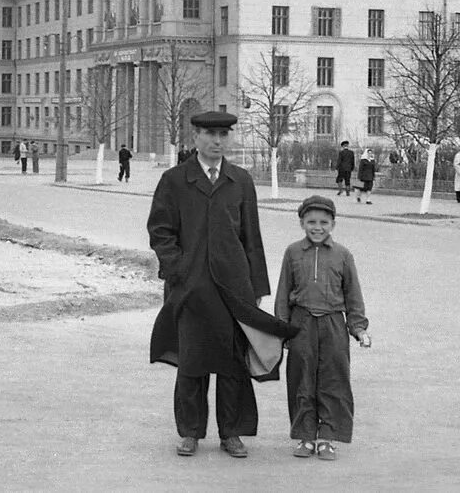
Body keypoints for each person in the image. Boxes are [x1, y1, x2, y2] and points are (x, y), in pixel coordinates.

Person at [149, 111, 299, 459]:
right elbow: (160, 231)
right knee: (192, 361)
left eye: (223, 135)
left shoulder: (240, 181)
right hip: (190, 288)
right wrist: (179, 270)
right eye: (210, 134)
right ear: (195, 137)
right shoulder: (174, 180)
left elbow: (252, 236)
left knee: (233, 364)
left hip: (234, 288)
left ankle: (231, 433)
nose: (217, 141)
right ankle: (190, 433)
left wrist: (257, 285)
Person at [274, 195, 370, 461]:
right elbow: (283, 293)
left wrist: (359, 328)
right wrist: (283, 329)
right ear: (302, 223)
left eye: (324, 222)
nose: (318, 227)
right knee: (301, 380)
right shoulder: (293, 252)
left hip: (333, 325)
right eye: (311, 222)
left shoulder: (343, 255)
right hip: (301, 323)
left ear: (333, 224)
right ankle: (305, 437)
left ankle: (327, 438)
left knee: (333, 380)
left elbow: (353, 295)